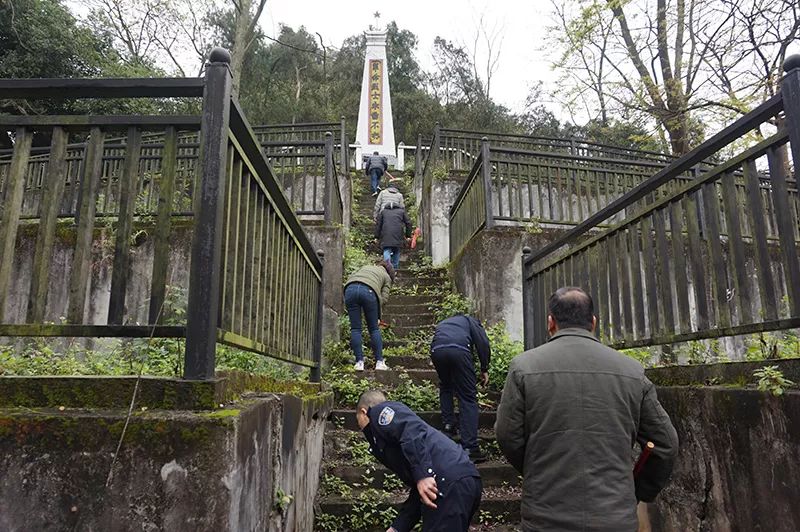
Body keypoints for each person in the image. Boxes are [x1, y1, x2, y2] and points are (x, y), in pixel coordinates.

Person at [495, 287, 678, 532]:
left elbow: (507, 436)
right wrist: (637, 491)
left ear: (551, 323)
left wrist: (538, 470)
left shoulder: (524, 368)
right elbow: (665, 444)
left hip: (546, 516)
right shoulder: (632, 371)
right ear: (593, 322)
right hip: (615, 517)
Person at [355, 390, 483, 532]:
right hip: (462, 480)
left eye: (357, 420)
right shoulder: (414, 452)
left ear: (363, 412)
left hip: (448, 480)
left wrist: (424, 475)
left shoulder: (380, 411)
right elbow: (420, 491)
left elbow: (410, 430)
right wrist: (397, 528)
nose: (360, 427)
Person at [430, 314, 491, 463]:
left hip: (437, 350)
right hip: (459, 350)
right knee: (468, 397)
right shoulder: (471, 321)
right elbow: (482, 342)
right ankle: (470, 447)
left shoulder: (444, 322)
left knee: (445, 386)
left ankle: (448, 426)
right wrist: (484, 368)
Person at [344, 261, 395, 371]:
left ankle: (359, 363)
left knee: (356, 328)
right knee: (373, 329)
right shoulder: (386, 277)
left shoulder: (366, 266)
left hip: (350, 289)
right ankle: (379, 362)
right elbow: (384, 299)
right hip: (369, 291)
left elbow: (354, 277)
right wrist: (377, 316)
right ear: (390, 272)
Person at [375, 203, 412, 270]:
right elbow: (408, 223)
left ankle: (387, 266)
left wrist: (376, 237)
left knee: (386, 249)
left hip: (386, 234)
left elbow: (378, 225)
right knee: (396, 250)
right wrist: (408, 235)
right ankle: (394, 269)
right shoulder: (401, 212)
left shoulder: (383, 212)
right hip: (398, 234)